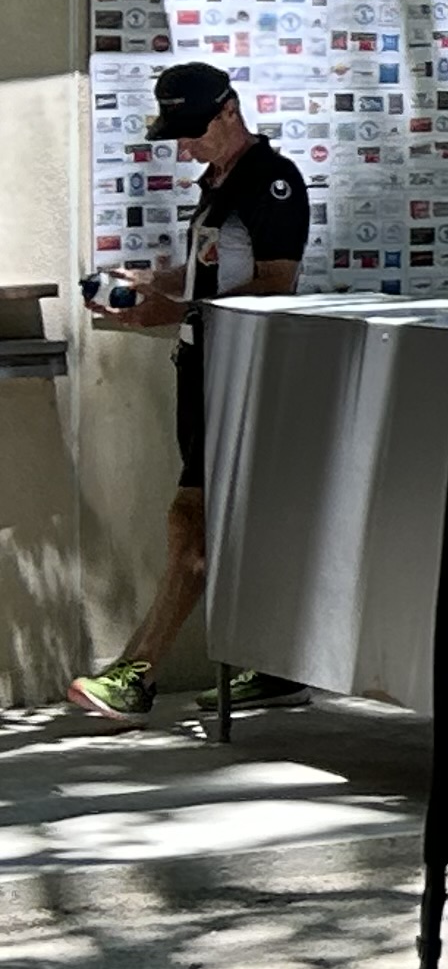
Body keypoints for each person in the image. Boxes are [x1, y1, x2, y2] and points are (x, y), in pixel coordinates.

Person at [70, 61, 311, 722]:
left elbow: (275, 282)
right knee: (237, 521)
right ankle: (280, 665)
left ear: (230, 109)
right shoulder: (219, 181)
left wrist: (171, 309)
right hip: (203, 367)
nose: (182, 148)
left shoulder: (275, 181)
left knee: (190, 522)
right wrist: (152, 283)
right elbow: (208, 265)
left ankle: (138, 674)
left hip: (245, 372)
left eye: (191, 131)